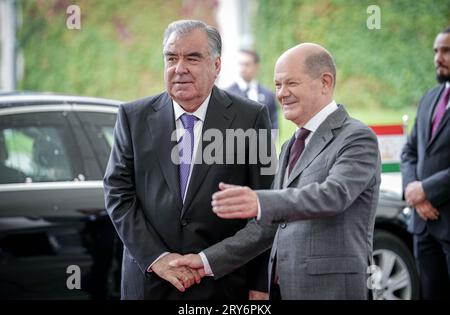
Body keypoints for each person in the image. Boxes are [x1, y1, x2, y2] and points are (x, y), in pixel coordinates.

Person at [171, 43, 381, 300]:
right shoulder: (290, 145)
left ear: (325, 82)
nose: (282, 94)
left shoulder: (357, 137)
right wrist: (204, 262)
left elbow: (333, 195)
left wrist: (259, 201)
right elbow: (266, 228)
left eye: (291, 83)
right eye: (278, 85)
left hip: (332, 290)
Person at [103, 19, 275, 300]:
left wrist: (261, 282)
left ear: (216, 66)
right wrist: (157, 259)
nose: (179, 68)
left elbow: (266, 206)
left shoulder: (252, 118)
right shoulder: (132, 117)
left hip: (223, 284)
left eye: (192, 58)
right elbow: (118, 194)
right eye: (171, 58)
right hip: (149, 283)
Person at [401, 26, 450, 300]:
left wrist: (427, 190)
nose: (438, 57)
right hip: (423, 225)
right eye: (435, 51)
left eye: (446, 51)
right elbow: (410, 151)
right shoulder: (430, 97)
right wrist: (413, 191)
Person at [226, 49, 279, 131]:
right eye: (241, 64)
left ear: (256, 66)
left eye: (247, 64)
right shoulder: (226, 95)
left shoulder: (268, 95)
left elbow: (274, 126)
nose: (243, 68)